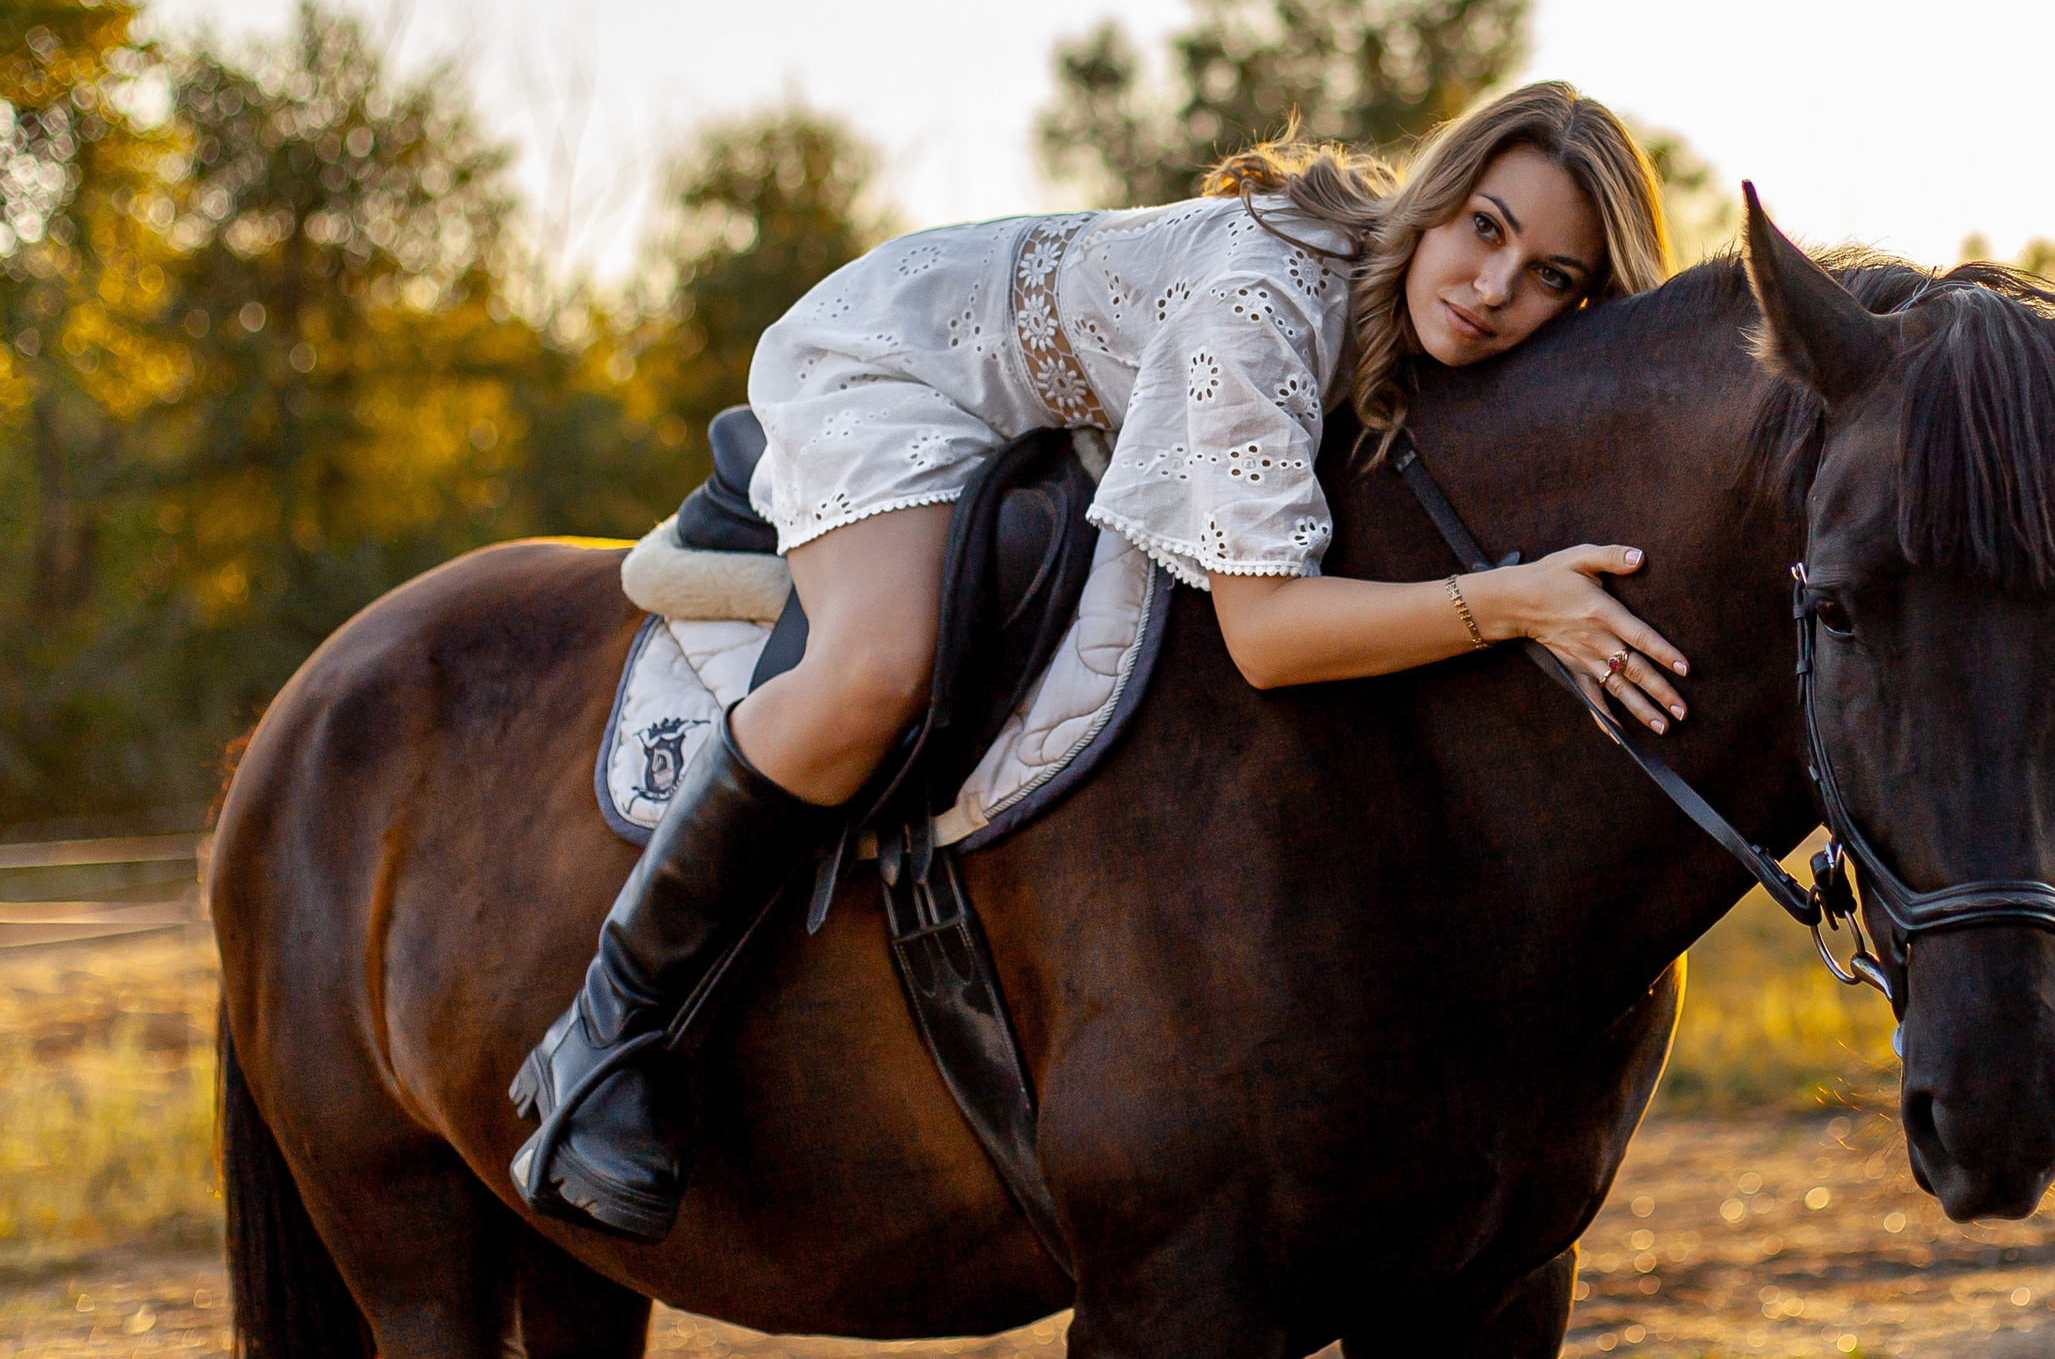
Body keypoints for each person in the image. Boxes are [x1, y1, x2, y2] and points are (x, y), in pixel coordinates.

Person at [512, 80, 1695, 1240]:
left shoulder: (1426, 309)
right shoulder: (1268, 300)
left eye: (1553, 277)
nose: (1493, 290)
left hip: (1063, 400)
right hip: (898, 368)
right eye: (1486, 228)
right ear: (1438, 200)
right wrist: (1515, 604)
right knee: (880, 664)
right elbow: (1268, 637)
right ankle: (609, 1025)